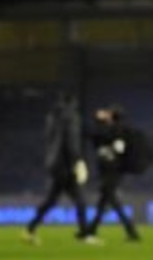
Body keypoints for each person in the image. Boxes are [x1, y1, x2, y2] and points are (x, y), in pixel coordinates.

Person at [24, 93, 90, 244]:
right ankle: (84, 234)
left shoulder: (53, 117)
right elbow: (71, 142)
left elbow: (50, 140)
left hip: (55, 164)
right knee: (80, 201)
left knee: (51, 200)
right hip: (66, 165)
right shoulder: (71, 117)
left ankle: (30, 228)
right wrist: (78, 160)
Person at [83, 105, 142, 244]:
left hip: (112, 172)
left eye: (108, 113)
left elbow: (94, 135)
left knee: (112, 202)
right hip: (113, 172)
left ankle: (131, 231)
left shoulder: (115, 130)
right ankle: (91, 230)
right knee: (104, 203)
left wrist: (98, 120)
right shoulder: (119, 130)